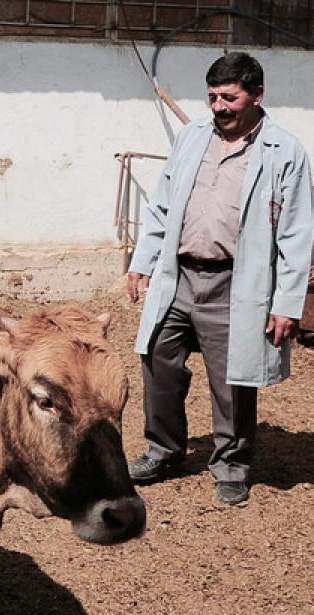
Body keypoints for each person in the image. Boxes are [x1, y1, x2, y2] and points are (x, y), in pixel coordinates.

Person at [127, 52, 312, 505]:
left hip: (235, 284)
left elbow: (296, 232)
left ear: (257, 96)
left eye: (229, 97)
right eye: (212, 97)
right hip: (180, 276)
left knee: (232, 380)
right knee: (157, 360)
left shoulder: (284, 151)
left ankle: (231, 464)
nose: (218, 107)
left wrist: (287, 302)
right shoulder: (192, 136)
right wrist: (142, 260)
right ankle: (165, 449)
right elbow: (164, 205)